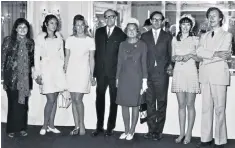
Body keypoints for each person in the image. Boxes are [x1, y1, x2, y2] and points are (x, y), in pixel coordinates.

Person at [196, 7, 232, 148]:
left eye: (214, 16)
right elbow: (198, 52)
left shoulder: (227, 35)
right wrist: (216, 54)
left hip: (219, 76)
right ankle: (206, 139)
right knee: (206, 108)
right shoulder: (203, 36)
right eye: (209, 16)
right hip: (205, 76)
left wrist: (207, 56)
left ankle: (220, 140)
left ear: (221, 18)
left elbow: (225, 53)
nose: (211, 18)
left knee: (219, 108)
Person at [92, 9, 126, 137]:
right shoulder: (99, 32)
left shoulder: (121, 34)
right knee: (99, 99)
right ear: (104, 19)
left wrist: (120, 75)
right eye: (106, 17)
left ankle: (110, 127)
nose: (109, 19)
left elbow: (122, 56)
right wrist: (94, 73)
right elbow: (96, 54)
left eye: (112, 16)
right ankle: (99, 127)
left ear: (115, 18)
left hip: (114, 74)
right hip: (100, 73)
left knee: (113, 101)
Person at [141, 11, 172, 141]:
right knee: (149, 103)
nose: (157, 22)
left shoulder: (168, 36)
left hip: (162, 75)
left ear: (163, 21)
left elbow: (171, 55)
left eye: (159, 20)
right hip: (147, 75)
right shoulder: (144, 36)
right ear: (151, 20)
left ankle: (158, 131)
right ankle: (151, 129)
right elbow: (141, 56)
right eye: (154, 19)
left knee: (161, 103)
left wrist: (170, 66)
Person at [1, 18, 34, 138]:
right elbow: (3, 60)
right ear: (15, 29)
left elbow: (31, 61)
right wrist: (4, 78)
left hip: (25, 78)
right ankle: (11, 129)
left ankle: (21, 128)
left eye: (25, 27)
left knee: (23, 105)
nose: (22, 29)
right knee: (13, 104)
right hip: (12, 78)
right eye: (20, 27)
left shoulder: (30, 43)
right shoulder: (8, 41)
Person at [33, 14, 66, 135]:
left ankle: (51, 125)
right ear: (46, 24)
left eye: (56, 23)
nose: (54, 25)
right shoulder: (40, 37)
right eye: (51, 23)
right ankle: (44, 125)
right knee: (50, 99)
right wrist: (37, 73)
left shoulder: (59, 36)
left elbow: (62, 54)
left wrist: (62, 67)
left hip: (57, 69)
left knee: (55, 98)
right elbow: (36, 56)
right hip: (45, 69)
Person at [171, 14, 201, 144]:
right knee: (181, 105)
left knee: (190, 105)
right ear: (180, 25)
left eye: (188, 24)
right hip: (178, 72)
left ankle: (189, 133)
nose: (185, 27)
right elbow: (172, 57)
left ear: (191, 26)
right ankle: (181, 133)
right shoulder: (174, 39)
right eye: (183, 24)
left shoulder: (196, 39)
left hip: (191, 73)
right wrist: (176, 58)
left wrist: (190, 55)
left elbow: (200, 58)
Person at [116, 18, 148, 140]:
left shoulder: (142, 45)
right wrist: (117, 78)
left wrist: (144, 81)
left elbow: (144, 63)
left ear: (137, 31)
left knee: (135, 105)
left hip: (137, 78)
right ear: (125, 31)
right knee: (124, 104)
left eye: (133, 29)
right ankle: (126, 130)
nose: (131, 31)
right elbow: (119, 63)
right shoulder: (122, 44)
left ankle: (132, 130)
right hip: (124, 78)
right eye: (129, 29)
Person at [64, 14, 95, 136]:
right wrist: (64, 71)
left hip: (83, 72)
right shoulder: (69, 39)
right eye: (77, 25)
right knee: (73, 99)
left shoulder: (90, 40)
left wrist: (92, 75)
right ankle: (76, 126)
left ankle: (82, 124)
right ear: (74, 27)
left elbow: (92, 59)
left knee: (78, 99)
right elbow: (67, 57)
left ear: (85, 26)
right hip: (71, 72)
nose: (80, 27)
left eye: (82, 25)